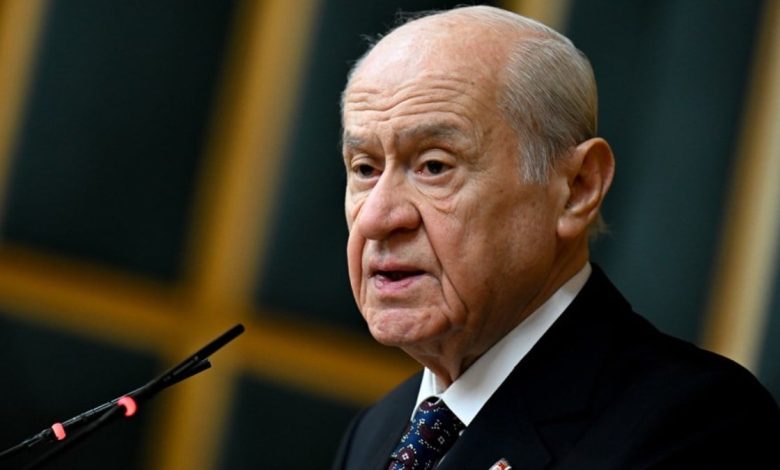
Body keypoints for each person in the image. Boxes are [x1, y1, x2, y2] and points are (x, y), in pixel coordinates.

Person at [332, 5, 780, 469]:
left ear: (577, 188)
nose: (376, 219)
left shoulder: (698, 427)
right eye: (364, 169)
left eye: (434, 166)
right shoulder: (375, 432)